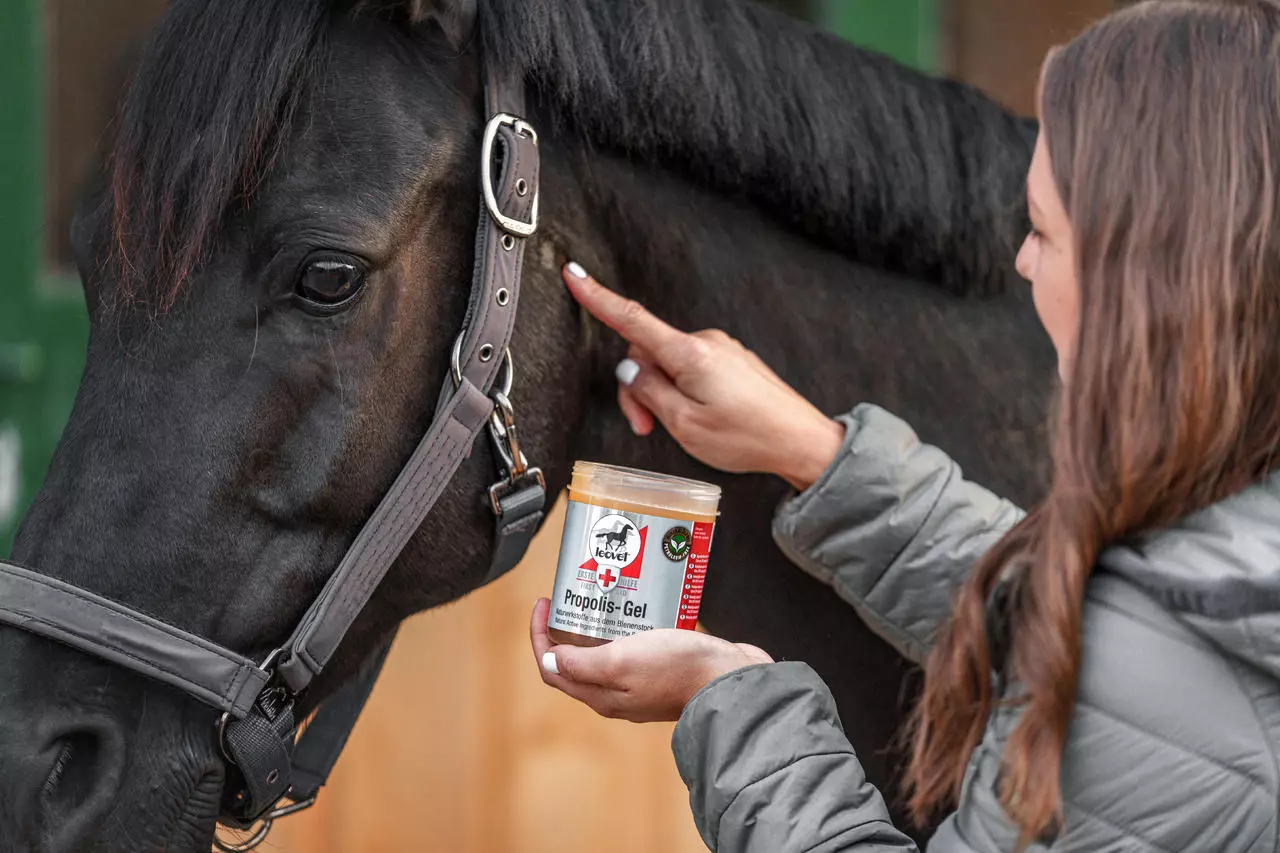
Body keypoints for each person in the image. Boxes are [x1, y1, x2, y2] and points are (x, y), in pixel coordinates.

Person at [529, 2, 1280, 851]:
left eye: (1041, 229)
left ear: (1143, 275)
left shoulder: (1141, 682)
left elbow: (1135, 677)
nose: (1023, 261)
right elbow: (1123, 628)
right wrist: (812, 451)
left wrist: (734, 699)